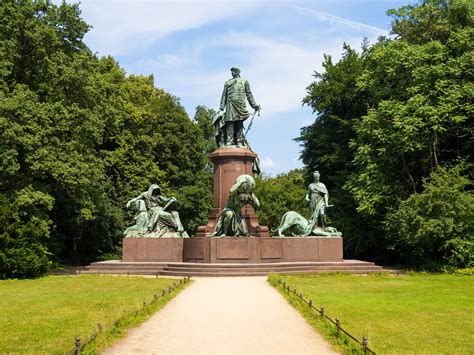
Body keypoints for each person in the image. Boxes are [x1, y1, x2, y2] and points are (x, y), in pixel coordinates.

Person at [218, 66, 261, 146]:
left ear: (238, 71)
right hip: (230, 104)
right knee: (229, 122)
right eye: (232, 71)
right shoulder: (228, 82)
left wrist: (254, 105)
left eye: (234, 71)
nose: (232, 72)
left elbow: (249, 95)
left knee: (239, 122)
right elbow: (224, 96)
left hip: (240, 105)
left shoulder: (244, 81)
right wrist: (221, 108)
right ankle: (229, 141)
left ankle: (239, 141)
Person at [304, 171, 329, 235]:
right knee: (313, 215)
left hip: (320, 201)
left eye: (318, 177)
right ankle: (313, 228)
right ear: (314, 177)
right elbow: (308, 193)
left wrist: (326, 203)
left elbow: (326, 194)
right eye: (316, 177)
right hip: (312, 201)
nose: (317, 178)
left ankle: (323, 226)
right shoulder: (311, 185)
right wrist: (306, 198)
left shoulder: (322, 185)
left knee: (322, 213)